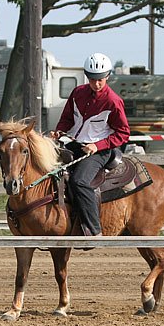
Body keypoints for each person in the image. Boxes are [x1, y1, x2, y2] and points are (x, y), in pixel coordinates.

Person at [52, 52, 130, 237]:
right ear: (87, 76)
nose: (96, 83)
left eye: (100, 79)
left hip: (100, 151)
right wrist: (59, 131)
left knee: (79, 181)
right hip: (74, 144)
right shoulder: (77, 93)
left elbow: (123, 133)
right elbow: (67, 119)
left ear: (108, 76)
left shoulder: (113, 101)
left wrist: (98, 145)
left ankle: (93, 229)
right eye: (93, 79)